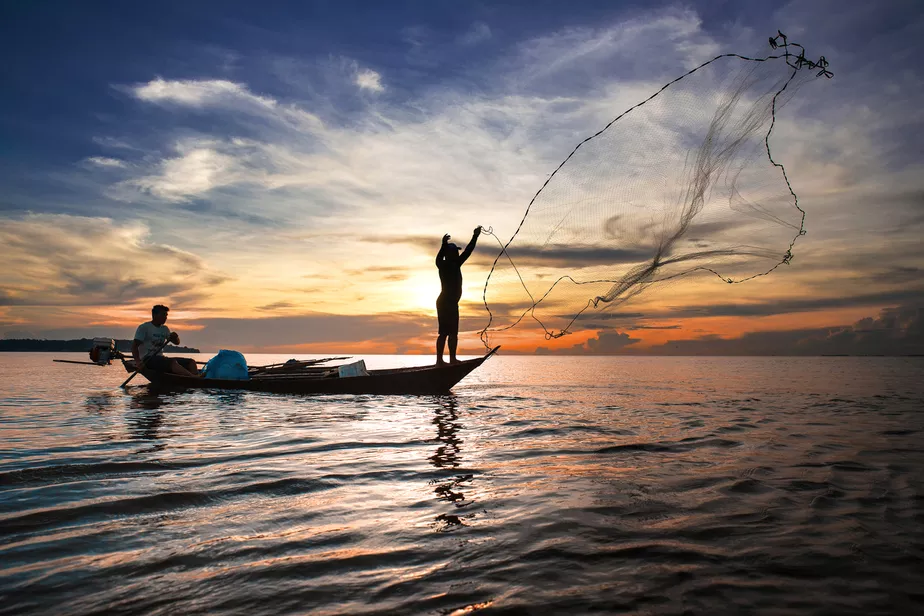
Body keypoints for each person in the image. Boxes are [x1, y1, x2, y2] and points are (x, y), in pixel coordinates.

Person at [435, 227, 481, 364]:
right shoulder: (442, 265)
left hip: (452, 303)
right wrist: (443, 245)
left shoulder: (456, 264)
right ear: (449, 254)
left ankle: (452, 359)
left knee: (453, 333)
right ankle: (440, 361)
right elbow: (439, 258)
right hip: (444, 303)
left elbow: (468, 251)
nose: (456, 253)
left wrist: (475, 236)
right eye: (454, 252)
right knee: (444, 333)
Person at [132, 305, 199, 377]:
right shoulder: (144, 327)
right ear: (154, 315)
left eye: (166, 315)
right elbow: (134, 346)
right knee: (172, 363)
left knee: (191, 362)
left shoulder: (164, 329)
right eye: (163, 315)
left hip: (161, 358)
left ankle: (197, 378)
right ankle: (194, 377)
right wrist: (138, 361)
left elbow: (177, 342)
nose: (165, 318)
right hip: (147, 359)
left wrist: (175, 337)